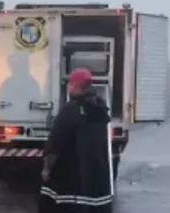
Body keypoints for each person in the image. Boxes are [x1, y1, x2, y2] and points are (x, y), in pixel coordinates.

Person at [39, 68, 114, 213]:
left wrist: (46, 169)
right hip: (97, 184)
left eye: (69, 84)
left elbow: (55, 144)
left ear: (74, 86)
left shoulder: (69, 111)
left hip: (71, 184)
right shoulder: (100, 109)